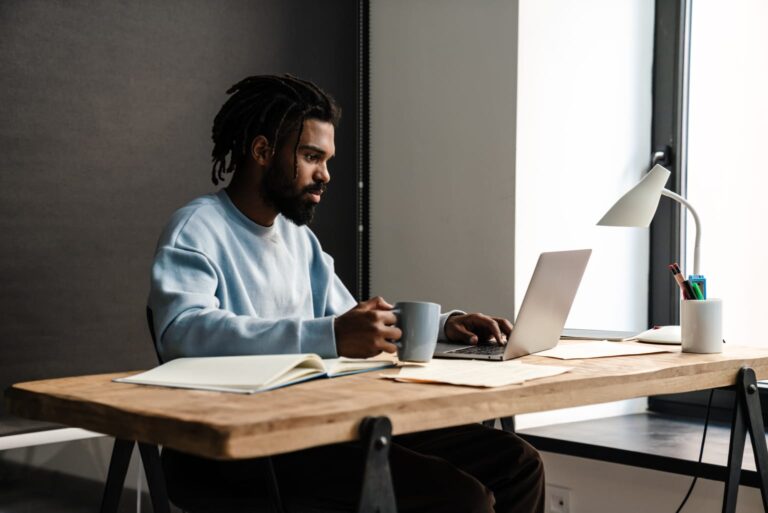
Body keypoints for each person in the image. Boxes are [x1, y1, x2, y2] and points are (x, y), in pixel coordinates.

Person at [148, 74, 544, 513]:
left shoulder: (299, 241)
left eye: (327, 159)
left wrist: (446, 326)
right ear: (262, 152)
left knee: (517, 463)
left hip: (321, 428)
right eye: (311, 156)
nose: (326, 175)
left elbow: (353, 324)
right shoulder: (197, 228)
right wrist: (331, 335)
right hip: (244, 446)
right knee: (461, 499)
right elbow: (182, 333)